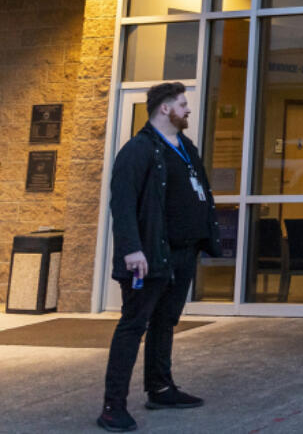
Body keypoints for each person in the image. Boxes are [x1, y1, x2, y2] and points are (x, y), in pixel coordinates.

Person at [98, 82, 221, 432]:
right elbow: (121, 204)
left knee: (166, 322)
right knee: (133, 326)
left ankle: (161, 388)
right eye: (182, 104)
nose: (188, 110)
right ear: (164, 109)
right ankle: (112, 406)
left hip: (182, 253)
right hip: (149, 255)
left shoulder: (186, 147)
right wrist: (131, 249)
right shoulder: (138, 150)